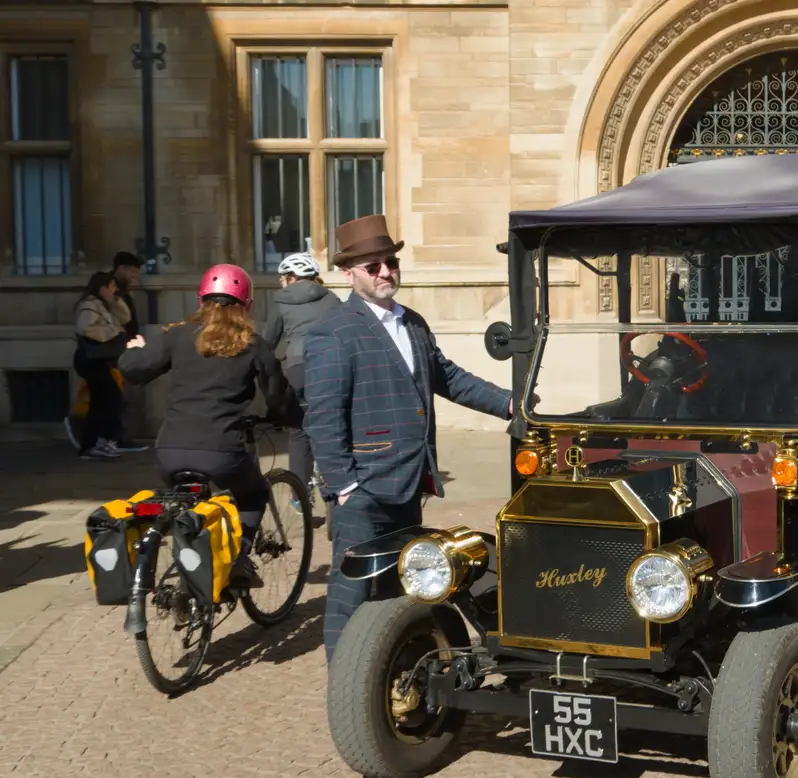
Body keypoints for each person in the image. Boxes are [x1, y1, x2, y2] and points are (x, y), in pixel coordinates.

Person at [303, 215, 514, 662]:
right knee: (351, 596)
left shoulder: (412, 323)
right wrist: (344, 487)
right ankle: (346, 689)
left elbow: (450, 378)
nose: (384, 273)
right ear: (350, 273)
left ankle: (388, 679)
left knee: (401, 588)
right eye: (372, 267)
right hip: (362, 490)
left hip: (409, 481)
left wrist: (512, 405)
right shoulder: (333, 332)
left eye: (390, 262)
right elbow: (323, 419)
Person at [118, 264, 293, 589]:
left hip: (169, 452)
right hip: (221, 453)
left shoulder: (178, 336)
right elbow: (279, 399)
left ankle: (190, 576)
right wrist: (289, 419)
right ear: (247, 305)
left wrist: (134, 351)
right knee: (254, 494)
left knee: (191, 505)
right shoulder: (254, 344)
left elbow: (133, 370)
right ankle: (239, 559)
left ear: (201, 302)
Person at [259, 252, 342, 498]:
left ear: (291, 277)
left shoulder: (280, 301)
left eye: (282, 278)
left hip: (296, 370)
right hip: (331, 369)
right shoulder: (333, 299)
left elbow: (267, 343)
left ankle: (299, 496)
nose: (281, 284)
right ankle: (337, 486)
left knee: (299, 431)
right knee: (333, 427)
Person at [73, 272, 135, 460]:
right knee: (109, 399)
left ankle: (94, 444)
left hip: (99, 360)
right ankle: (97, 443)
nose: (114, 290)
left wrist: (115, 300)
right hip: (91, 359)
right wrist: (113, 331)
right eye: (111, 286)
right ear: (102, 286)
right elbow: (85, 329)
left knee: (103, 402)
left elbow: (125, 317)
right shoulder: (90, 304)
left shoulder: (104, 304)